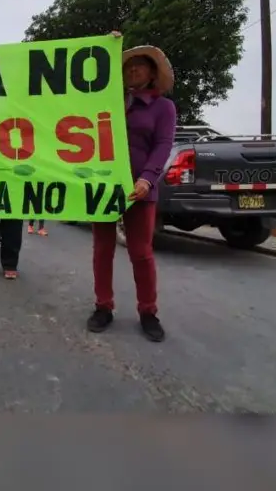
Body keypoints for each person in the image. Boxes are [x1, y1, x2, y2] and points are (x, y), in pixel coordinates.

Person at [86, 33, 176, 343]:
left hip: (141, 188)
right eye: (128, 66)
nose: (134, 70)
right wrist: (104, 46)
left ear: (153, 73)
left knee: (140, 252)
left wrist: (147, 178)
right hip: (105, 188)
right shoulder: (108, 103)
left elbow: (164, 145)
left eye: (141, 65)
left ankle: (148, 311)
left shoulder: (163, 107)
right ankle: (103, 306)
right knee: (102, 250)